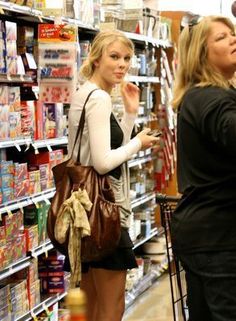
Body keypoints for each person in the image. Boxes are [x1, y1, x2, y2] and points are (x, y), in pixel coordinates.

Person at [67, 30, 159, 321]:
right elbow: (104, 163)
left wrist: (130, 115)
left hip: (85, 210)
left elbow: (94, 153)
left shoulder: (86, 92)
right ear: (96, 59)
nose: (122, 64)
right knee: (111, 307)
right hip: (104, 214)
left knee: (91, 304)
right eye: (114, 57)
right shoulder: (99, 99)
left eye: (127, 58)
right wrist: (138, 143)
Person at [171, 15, 236, 321]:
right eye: (222, 37)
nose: (233, 39)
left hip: (206, 234)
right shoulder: (210, 98)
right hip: (218, 238)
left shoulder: (202, 96)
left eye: (232, 34)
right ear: (201, 54)